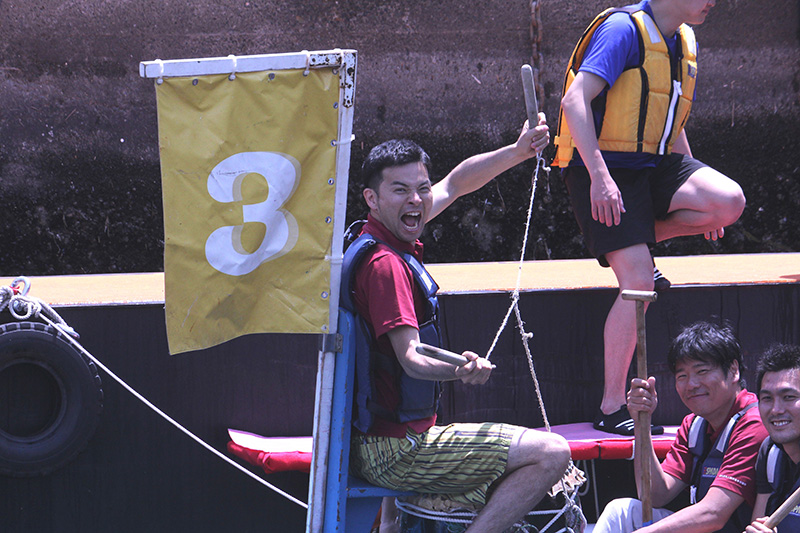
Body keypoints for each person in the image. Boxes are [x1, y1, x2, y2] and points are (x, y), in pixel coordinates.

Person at [345, 117, 572, 533]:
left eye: (422, 188)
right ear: (371, 199)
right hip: (396, 452)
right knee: (552, 453)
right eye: (400, 190)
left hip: (384, 439)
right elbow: (411, 358)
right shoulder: (385, 266)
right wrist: (462, 370)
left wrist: (518, 151)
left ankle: (394, 523)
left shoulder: (382, 235)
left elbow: (457, 182)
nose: (417, 200)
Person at [553, 0, 747, 435]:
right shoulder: (623, 30)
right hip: (602, 167)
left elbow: (665, 115)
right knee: (639, 281)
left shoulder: (682, 39)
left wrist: (693, 177)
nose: (712, 2)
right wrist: (600, 177)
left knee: (728, 201)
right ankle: (610, 406)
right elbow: (574, 100)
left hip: (651, 165)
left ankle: (634, 239)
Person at [593, 321, 768, 532]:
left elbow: (714, 513)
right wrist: (641, 423)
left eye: (702, 371)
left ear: (733, 371)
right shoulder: (694, 424)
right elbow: (655, 495)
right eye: (682, 376)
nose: (691, 384)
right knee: (620, 512)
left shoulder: (755, 423)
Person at [744, 344, 800, 532]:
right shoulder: (770, 452)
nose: (776, 410)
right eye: (767, 398)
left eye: (789, 397)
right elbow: (758, 524)